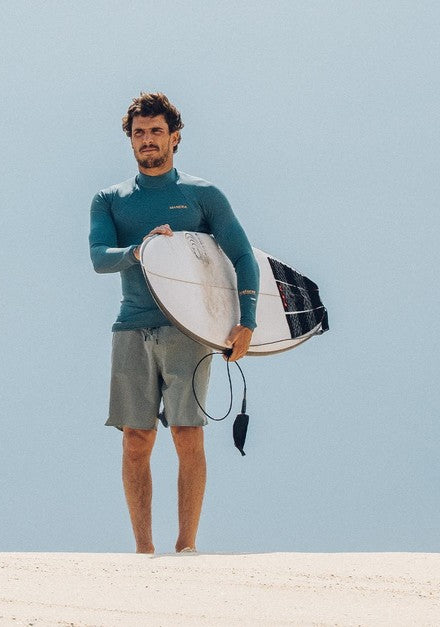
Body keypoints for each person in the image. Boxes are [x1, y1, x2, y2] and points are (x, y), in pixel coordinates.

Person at [89, 92, 259, 554]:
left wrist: (246, 322)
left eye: (156, 131)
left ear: (175, 137)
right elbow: (99, 257)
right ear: (130, 139)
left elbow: (243, 256)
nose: (147, 140)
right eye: (139, 133)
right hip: (132, 326)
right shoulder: (110, 200)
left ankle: (186, 548)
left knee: (188, 433)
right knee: (135, 439)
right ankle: (144, 550)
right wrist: (140, 249)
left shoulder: (202, 196)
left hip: (189, 330)